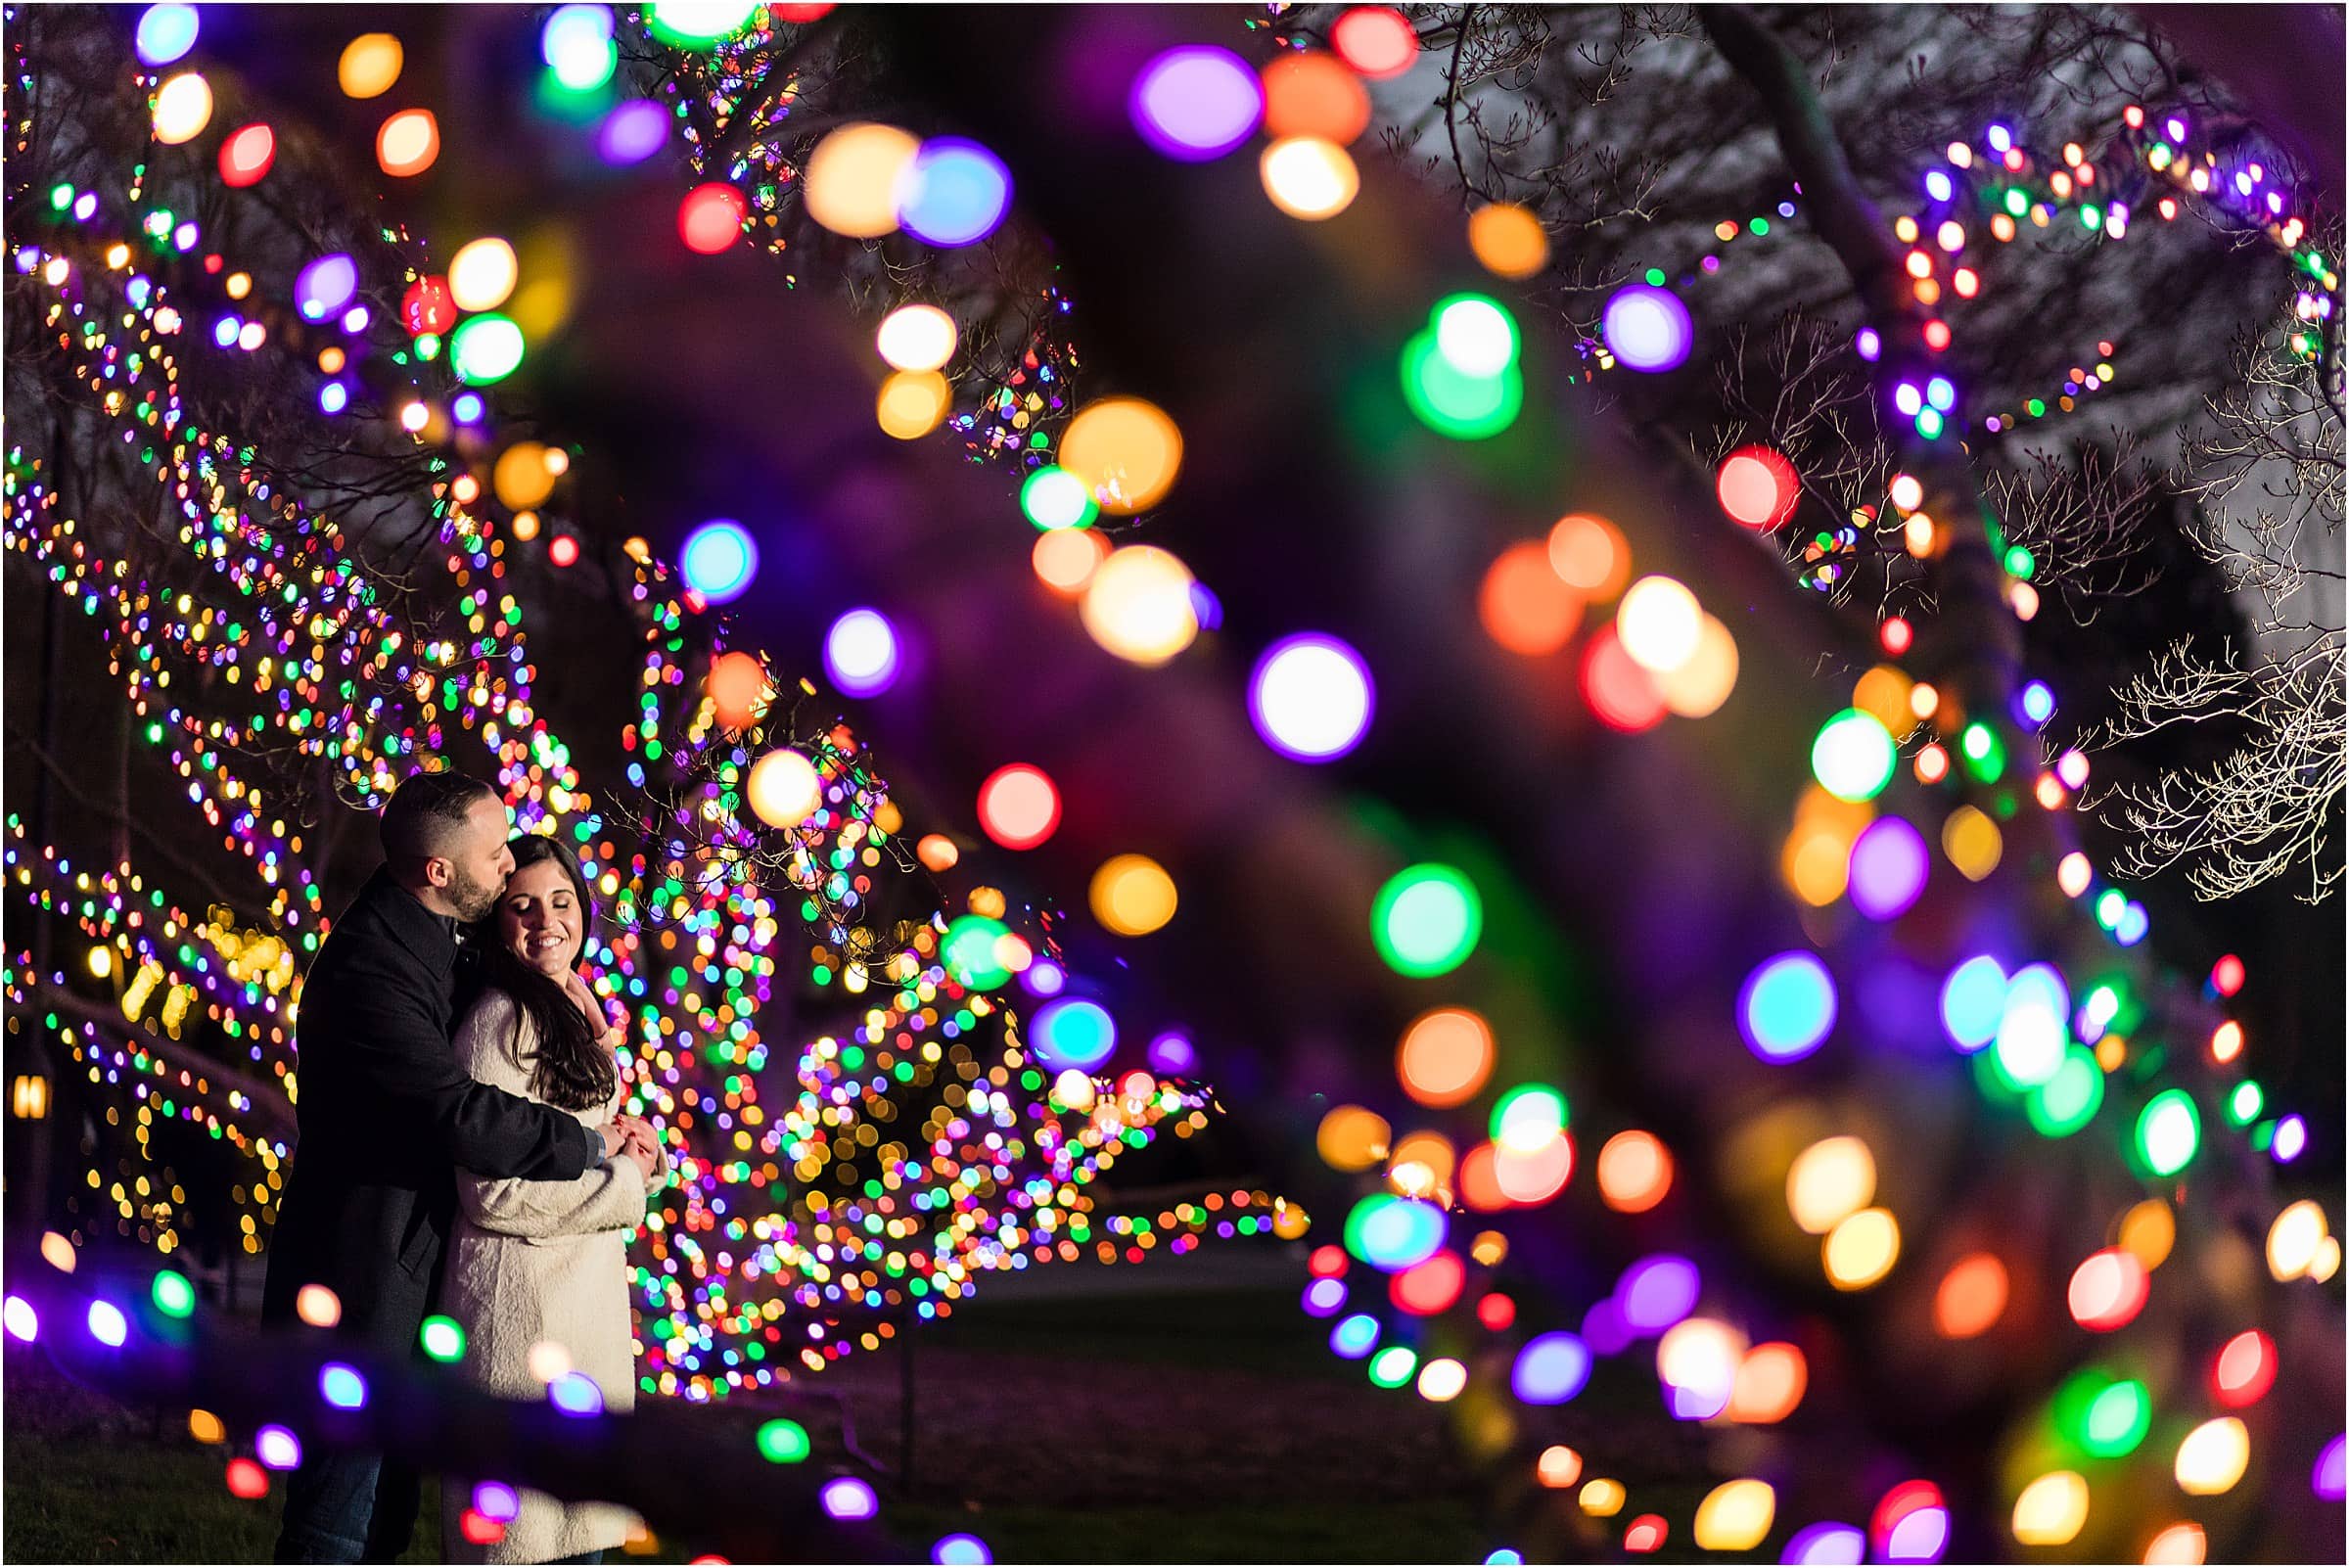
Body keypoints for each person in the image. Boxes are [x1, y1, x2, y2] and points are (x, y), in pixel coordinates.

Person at [262, 770, 648, 1564]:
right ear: (440, 871)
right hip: (360, 1277)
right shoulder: (371, 969)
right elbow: (459, 1113)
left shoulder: (441, 930)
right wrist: (595, 1148)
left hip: (423, 1273)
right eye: (495, 855)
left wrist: (572, 993)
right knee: (338, 1521)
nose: (509, 866)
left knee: (390, 1516)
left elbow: (526, 959)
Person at [440, 834, 666, 1566]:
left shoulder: (572, 1004)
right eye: (523, 905)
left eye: (561, 901)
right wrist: (623, 1182)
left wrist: (637, 1153)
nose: (547, 921)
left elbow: (573, 1137)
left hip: (581, 1326)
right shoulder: (499, 1022)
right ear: (495, 920)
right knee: (526, 1544)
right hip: (524, 1325)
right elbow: (495, 1192)